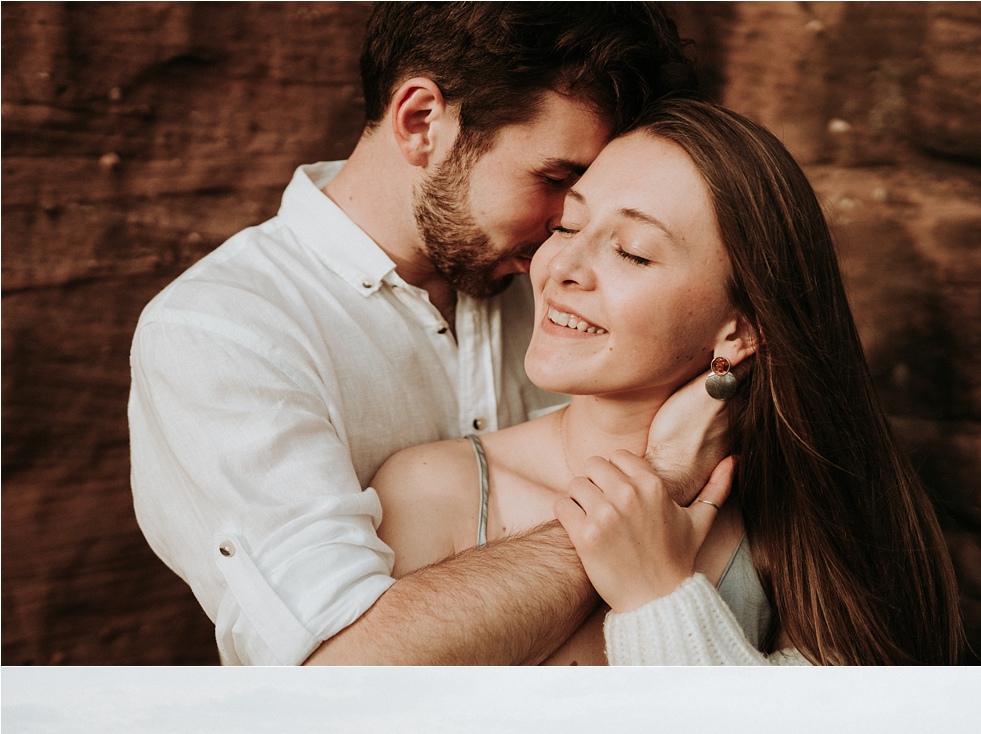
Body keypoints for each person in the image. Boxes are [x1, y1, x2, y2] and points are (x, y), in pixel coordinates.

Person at [128, 4, 727, 667]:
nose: (568, 232)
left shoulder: (570, 287)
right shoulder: (223, 334)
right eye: (555, 180)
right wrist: (654, 488)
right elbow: (344, 670)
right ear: (421, 122)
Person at [373, 97, 964, 665]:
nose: (564, 269)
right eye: (567, 224)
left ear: (739, 331)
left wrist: (658, 599)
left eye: (632, 253)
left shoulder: (799, 522)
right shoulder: (432, 491)